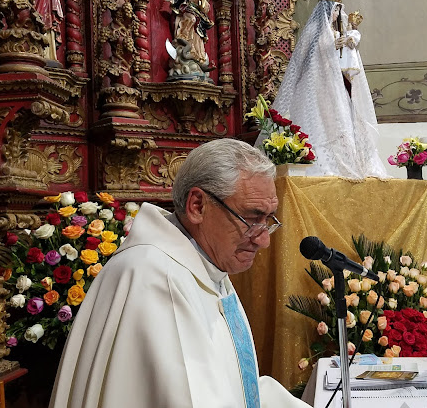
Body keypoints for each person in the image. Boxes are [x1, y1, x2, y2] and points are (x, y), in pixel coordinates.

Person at [49, 139, 310, 408]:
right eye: (252, 218)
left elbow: (239, 386)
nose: (263, 240)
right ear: (197, 205)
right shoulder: (157, 278)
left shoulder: (204, 267)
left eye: (268, 220)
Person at [269, 0, 389, 180]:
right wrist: (333, 45)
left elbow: (344, 57)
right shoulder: (316, 29)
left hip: (335, 83)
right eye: (335, 11)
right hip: (315, 84)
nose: (337, 15)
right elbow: (308, 56)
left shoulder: (338, 32)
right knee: (318, 121)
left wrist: (347, 44)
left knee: (341, 118)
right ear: (328, 10)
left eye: (339, 11)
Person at [165, 0, 215, 80]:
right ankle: (183, 37)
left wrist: (203, 3)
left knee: (199, 35)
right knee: (192, 20)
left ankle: (197, 54)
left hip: (199, 16)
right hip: (188, 10)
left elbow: (206, 9)